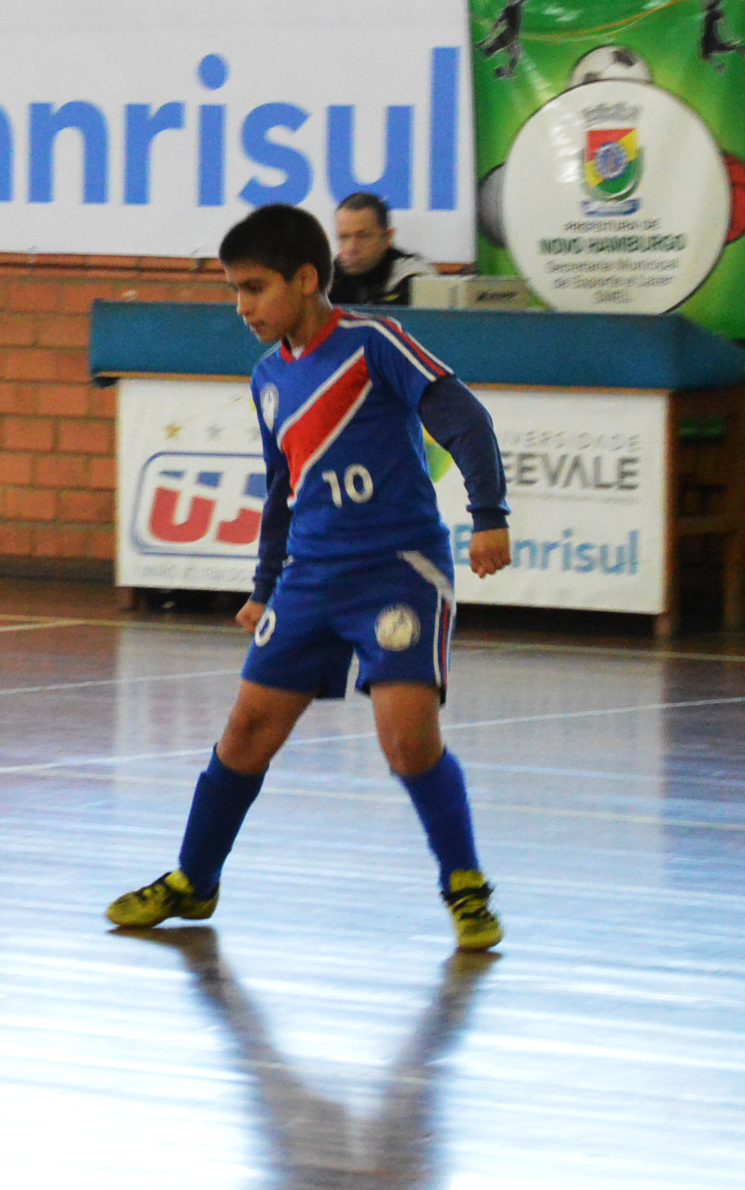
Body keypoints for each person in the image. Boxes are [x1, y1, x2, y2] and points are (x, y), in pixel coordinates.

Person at [107, 203, 512, 952]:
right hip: (310, 579)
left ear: (304, 278)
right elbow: (283, 488)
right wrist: (265, 584)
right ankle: (194, 880)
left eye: (254, 288)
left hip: (398, 572)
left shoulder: (373, 343)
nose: (242, 307)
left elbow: (465, 419)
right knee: (244, 734)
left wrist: (489, 513)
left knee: (406, 743)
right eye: (233, 290)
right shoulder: (267, 378)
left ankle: (465, 883)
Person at [329, 193, 436, 306]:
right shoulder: (326, 277)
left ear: (388, 237)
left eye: (363, 236)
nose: (351, 248)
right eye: (344, 237)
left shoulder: (415, 279)